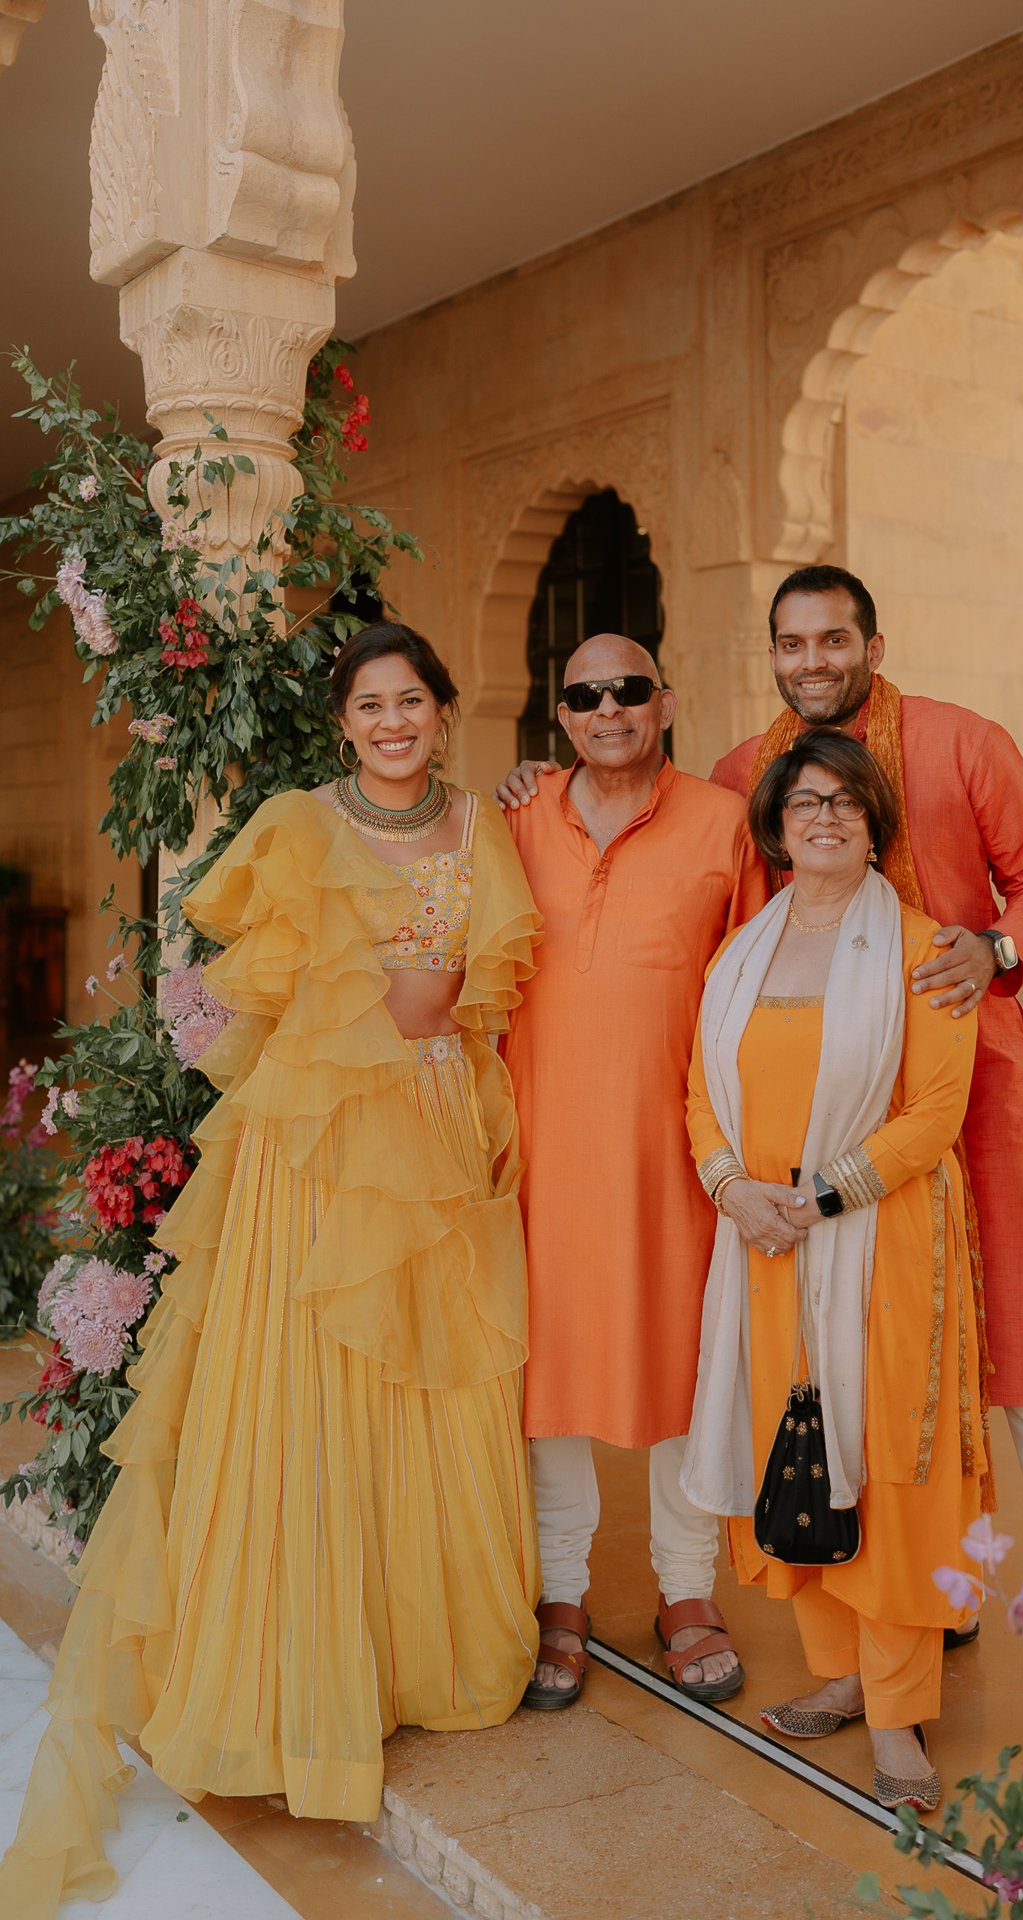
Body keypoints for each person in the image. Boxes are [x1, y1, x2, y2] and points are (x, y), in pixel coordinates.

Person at [0, 621, 542, 1917]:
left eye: (413, 699)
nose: (394, 721)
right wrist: (348, 1015)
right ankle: (302, 1689)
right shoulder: (298, 824)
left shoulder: (481, 826)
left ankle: (418, 1658)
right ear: (343, 722)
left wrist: (439, 1018)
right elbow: (229, 994)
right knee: (316, 1401)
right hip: (317, 1158)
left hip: (437, 1137)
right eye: (371, 704)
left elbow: (495, 991)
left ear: (442, 710)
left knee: (430, 1387)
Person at [709, 565, 1023, 1722]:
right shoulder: (749, 776)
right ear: (771, 656)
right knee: (865, 1379)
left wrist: (995, 949)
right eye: (790, 643)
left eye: (832, 640)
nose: (812, 661)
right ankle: (923, 1600)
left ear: (870, 643)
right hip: (827, 1137)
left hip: (979, 1104)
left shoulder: (959, 743)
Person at [683, 728, 983, 1811]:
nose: (823, 818)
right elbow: (696, 1094)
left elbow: (934, 1117)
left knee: (886, 1472)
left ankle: (900, 1720)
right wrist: (732, 1188)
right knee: (794, 1451)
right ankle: (842, 1676)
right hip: (761, 1245)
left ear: (873, 824)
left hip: (878, 1244)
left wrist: (813, 1201)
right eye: (803, 802)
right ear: (772, 824)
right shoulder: (740, 952)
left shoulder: (921, 950)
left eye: (845, 803)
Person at [498, 633, 770, 1709]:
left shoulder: (721, 823)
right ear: (558, 715)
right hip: (540, 1150)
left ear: (664, 700)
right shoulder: (515, 820)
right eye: (584, 694)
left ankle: (685, 1594)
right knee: (548, 1374)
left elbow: (754, 985)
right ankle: (559, 1594)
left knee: (682, 1365)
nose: (607, 708)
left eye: (628, 689)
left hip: (677, 1152)